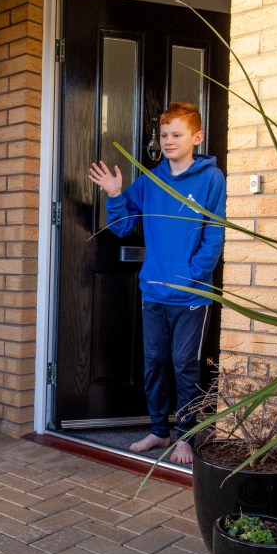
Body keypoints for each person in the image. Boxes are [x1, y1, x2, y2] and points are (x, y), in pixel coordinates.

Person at [88, 102, 225, 464]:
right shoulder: (150, 180)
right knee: (154, 362)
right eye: (164, 135)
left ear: (196, 137)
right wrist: (116, 195)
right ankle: (158, 431)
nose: (168, 140)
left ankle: (186, 436)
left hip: (192, 295)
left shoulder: (211, 179)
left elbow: (214, 235)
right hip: (153, 292)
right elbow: (121, 227)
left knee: (185, 365)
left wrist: (192, 276)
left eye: (176, 134)